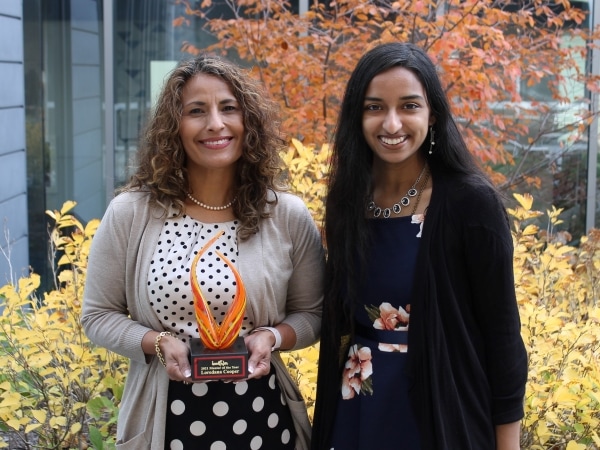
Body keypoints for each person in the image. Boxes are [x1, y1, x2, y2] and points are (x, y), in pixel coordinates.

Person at [81, 54, 325, 450]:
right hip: (163, 421)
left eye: (229, 108)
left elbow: (313, 314)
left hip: (262, 421)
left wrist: (272, 337)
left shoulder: (286, 215)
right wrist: (157, 343)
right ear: (173, 127)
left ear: (249, 122)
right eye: (196, 111)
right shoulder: (131, 213)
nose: (215, 123)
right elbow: (97, 315)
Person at [311, 42, 528, 450]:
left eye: (409, 106)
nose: (392, 123)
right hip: (358, 409)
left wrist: (508, 445)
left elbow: (502, 338)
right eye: (374, 107)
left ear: (433, 114)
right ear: (356, 116)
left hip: (443, 414)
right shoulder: (348, 201)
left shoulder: (470, 203)